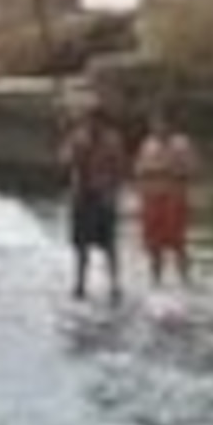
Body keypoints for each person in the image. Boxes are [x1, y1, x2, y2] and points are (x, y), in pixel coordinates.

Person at [58, 105, 131, 303]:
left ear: (102, 122)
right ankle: (80, 284)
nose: (92, 125)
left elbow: (120, 168)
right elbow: (64, 163)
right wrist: (72, 149)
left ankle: (115, 284)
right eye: (89, 121)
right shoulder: (77, 138)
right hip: (81, 196)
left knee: (109, 244)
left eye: (95, 121)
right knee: (81, 244)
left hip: (103, 195)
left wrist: (114, 193)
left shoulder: (112, 141)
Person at [134, 114, 202, 286]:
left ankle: (185, 280)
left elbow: (193, 168)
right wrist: (150, 172)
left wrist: (170, 170)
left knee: (178, 243)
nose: (158, 128)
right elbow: (138, 169)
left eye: (161, 124)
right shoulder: (148, 144)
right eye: (155, 125)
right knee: (153, 245)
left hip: (174, 198)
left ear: (170, 125)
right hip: (152, 198)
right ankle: (155, 281)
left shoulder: (182, 144)